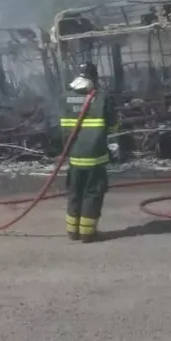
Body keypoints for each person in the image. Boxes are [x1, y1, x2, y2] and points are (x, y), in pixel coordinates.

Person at [59, 62, 118, 242]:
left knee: (75, 192)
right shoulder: (101, 98)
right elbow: (113, 127)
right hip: (95, 157)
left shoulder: (65, 97)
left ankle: (72, 232)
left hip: (75, 157)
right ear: (94, 77)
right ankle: (87, 233)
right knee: (92, 193)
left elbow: (62, 130)